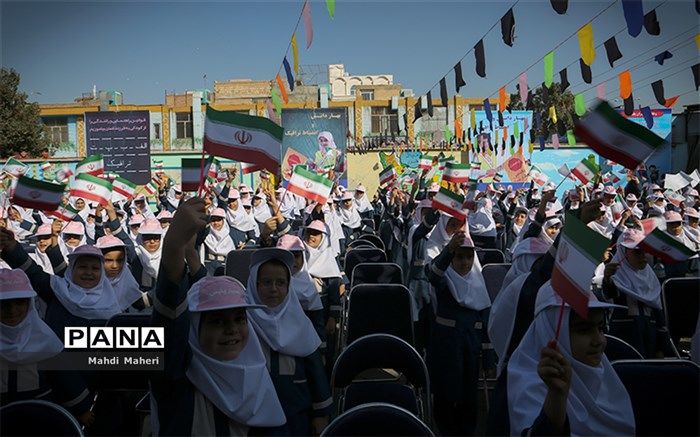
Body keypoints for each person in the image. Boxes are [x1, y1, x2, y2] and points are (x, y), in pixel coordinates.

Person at [150, 197, 286, 435]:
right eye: (216, 321)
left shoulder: (257, 376)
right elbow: (169, 321)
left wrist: (189, 253)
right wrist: (173, 248)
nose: (231, 329)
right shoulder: (177, 379)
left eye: (239, 319)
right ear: (194, 328)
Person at [507, 281, 635, 435]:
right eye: (583, 330)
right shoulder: (529, 386)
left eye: (601, 328)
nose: (599, 340)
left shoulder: (609, 379)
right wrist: (555, 399)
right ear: (550, 333)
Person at [245, 248, 332, 435]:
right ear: (254, 284)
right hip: (253, 417)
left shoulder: (300, 324)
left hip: (295, 414)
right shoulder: (243, 322)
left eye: (281, 283)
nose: (274, 289)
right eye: (266, 282)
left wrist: (321, 413)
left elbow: (315, 370)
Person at [0, 268, 93, 425]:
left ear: (30, 304)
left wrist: (81, 410)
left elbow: (65, 379)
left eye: (19, 302)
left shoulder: (44, 340)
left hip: (42, 416)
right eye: (4, 304)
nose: (12, 310)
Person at [425, 231, 492, 435]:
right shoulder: (446, 282)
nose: (464, 262)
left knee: (468, 395)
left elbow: (485, 325)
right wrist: (448, 251)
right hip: (446, 348)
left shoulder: (479, 286)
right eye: (459, 257)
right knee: (446, 393)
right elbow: (433, 273)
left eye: (469, 257)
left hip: (470, 348)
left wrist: (488, 360)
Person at [602, 228, 673, 357]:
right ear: (623, 253)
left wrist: (661, 348)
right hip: (625, 337)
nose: (643, 257)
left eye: (645, 252)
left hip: (650, 335)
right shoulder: (616, 275)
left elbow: (658, 312)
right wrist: (607, 278)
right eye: (637, 252)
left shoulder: (651, 277)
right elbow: (610, 295)